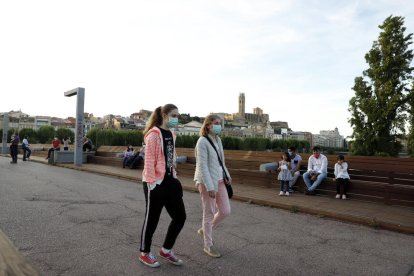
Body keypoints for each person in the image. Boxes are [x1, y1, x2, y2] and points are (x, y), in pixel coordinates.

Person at [139, 104, 186, 268]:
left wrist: (174, 177)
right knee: (152, 218)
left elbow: (170, 159)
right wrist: (152, 184)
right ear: (164, 115)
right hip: (155, 183)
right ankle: (144, 253)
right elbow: (149, 161)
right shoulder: (153, 135)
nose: (176, 119)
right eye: (174, 115)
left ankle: (166, 249)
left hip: (170, 181)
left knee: (180, 217)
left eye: (178, 116)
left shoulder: (172, 134)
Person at [194, 114, 231, 258]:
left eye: (220, 123)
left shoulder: (218, 139)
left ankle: (205, 230)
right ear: (208, 125)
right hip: (206, 182)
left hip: (220, 180)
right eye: (216, 123)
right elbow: (202, 166)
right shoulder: (202, 141)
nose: (219, 126)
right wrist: (210, 187)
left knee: (225, 211)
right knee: (208, 213)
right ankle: (208, 245)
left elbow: (222, 161)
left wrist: (227, 175)